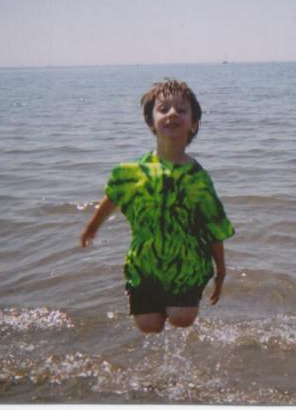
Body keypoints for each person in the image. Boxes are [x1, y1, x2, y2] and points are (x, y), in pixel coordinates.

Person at [81, 79, 234, 333]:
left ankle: (178, 303)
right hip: (146, 264)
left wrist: (221, 271)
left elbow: (214, 227)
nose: (172, 113)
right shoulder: (131, 172)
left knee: (181, 317)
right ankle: (155, 301)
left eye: (181, 110)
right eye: (163, 109)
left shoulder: (198, 178)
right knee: (148, 326)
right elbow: (112, 199)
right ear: (151, 121)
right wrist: (92, 227)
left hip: (188, 264)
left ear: (193, 124)